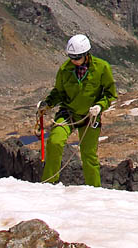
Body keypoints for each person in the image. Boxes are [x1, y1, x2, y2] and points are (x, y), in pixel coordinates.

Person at [37, 33, 117, 186]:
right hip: (69, 113)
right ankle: (49, 183)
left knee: (88, 154)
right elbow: (59, 92)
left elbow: (110, 93)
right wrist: (47, 104)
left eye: (77, 57)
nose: (74, 61)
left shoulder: (102, 68)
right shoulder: (65, 69)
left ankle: (94, 189)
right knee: (55, 141)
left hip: (90, 116)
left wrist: (100, 106)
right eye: (71, 57)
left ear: (86, 54)